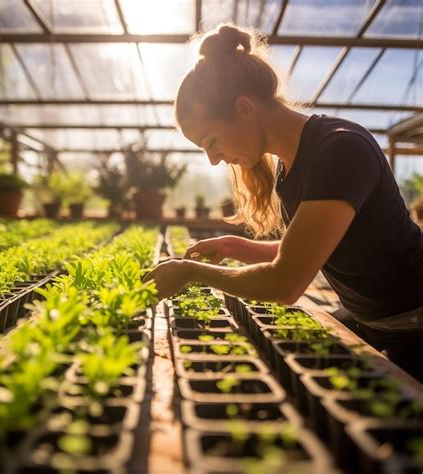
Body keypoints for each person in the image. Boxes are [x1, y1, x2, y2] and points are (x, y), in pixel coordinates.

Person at [144, 24, 423, 380]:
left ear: (244, 109)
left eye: (211, 141)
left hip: (412, 321)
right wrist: (232, 245)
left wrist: (192, 273)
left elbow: (285, 282)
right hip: (371, 316)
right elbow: (301, 250)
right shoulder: (288, 168)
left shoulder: (339, 150)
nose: (213, 159)